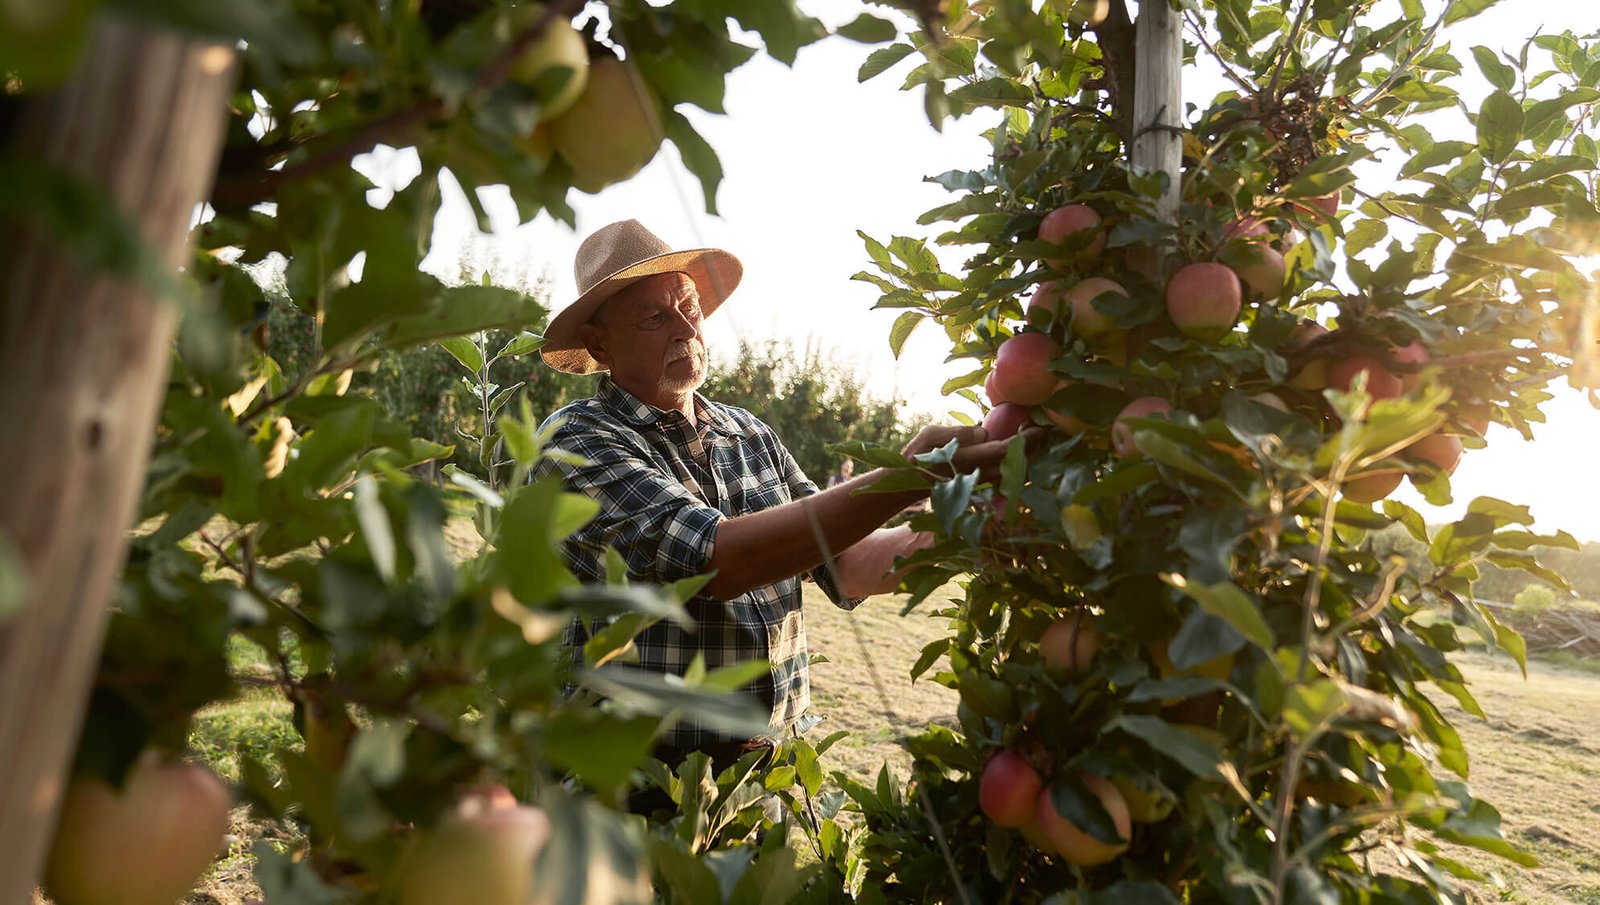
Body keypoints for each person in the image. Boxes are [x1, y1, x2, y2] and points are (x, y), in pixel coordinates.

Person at [532, 220, 1017, 797]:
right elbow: (723, 560)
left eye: (689, 307)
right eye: (655, 317)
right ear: (599, 344)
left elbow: (847, 561)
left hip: (764, 786)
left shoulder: (749, 435)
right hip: (637, 788)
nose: (687, 329)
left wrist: (970, 524)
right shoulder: (576, 442)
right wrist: (912, 476)